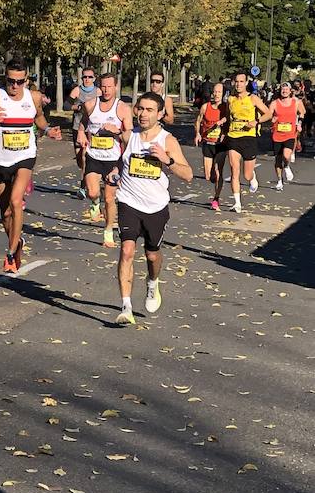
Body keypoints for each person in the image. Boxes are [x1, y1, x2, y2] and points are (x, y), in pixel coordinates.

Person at [0, 59, 62, 272]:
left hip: (25, 157)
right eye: (10, 81)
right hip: (0, 160)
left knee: (16, 201)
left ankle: (9, 254)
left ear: (26, 80)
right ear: (5, 79)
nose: (15, 86)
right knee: (5, 214)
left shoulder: (33, 97)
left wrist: (48, 131)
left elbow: (40, 118)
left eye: (19, 82)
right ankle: (17, 242)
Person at [114, 92, 193, 325]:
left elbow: (188, 174)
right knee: (127, 251)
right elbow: (123, 162)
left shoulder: (167, 141)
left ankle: (152, 282)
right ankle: (126, 306)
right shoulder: (129, 137)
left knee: (151, 254)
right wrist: (116, 171)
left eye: (149, 110)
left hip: (156, 207)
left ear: (160, 114)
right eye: (141, 109)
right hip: (128, 202)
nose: (143, 114)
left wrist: (166, 160)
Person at [76, 74, 131, 247]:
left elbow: (129, 135)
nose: (107, 90)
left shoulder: (122, 108)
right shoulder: (91, 104)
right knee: (93, 192)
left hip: (113, 161)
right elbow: (83, 122)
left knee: (109, 198)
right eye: (104, 87)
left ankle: (108, 231)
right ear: (100, 87)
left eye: (110, 86)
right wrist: (80, 133)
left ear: (116, 86)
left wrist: (116, 131)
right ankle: (94, 203)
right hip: (94, 156)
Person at [221, 70, 273, 213]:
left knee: (247, 174)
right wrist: (223, 132)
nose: (238, 84)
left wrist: (256, 121)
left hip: (248, 137)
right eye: (236, 81)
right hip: (233, 136)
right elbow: (227, 117)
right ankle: (237, 203)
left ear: (246, 83)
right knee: (234, 170)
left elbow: (268, 113)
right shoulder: (230, 99)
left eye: (241, 81)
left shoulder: (253, 98)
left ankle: (252, 178)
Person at [194, 81, 226, 210]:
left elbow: (231, 119)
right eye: (215, 92)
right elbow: (198, 120)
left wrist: (224, 121)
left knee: (218, 173)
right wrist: (197, 134)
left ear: (223, 94)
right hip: (207, 142)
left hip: (221, 144)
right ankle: (214, 178)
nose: (217, 94)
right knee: (209, 176)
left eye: (219, 92)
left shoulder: (225, 107)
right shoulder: (205, 107)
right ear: (212, 93)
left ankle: (216, 199)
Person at [67, 66, 99, 192]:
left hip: (90, 128)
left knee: (86, 155)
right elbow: (66, 105)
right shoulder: (77, 90)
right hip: (76, 125)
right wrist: (79, 107)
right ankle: (85, 175)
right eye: (84, 77)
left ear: (94, 78)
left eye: (90, 77)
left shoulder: (98, 92)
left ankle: (83, 186)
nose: (87, 79)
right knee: (80, 158)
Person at [269, 81, 304, 190]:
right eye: (282, 89)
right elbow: (268, 115)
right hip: (277, 134)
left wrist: (299, 124)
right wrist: (272, 119)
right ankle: (279, 180)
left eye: (286, 89)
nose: (284, 91)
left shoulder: (296, 102)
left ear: (290, 91)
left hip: (290, 134)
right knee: (278, 159)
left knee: (286, 155)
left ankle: (287, 166)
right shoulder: (274, 103)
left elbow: (302, 113)